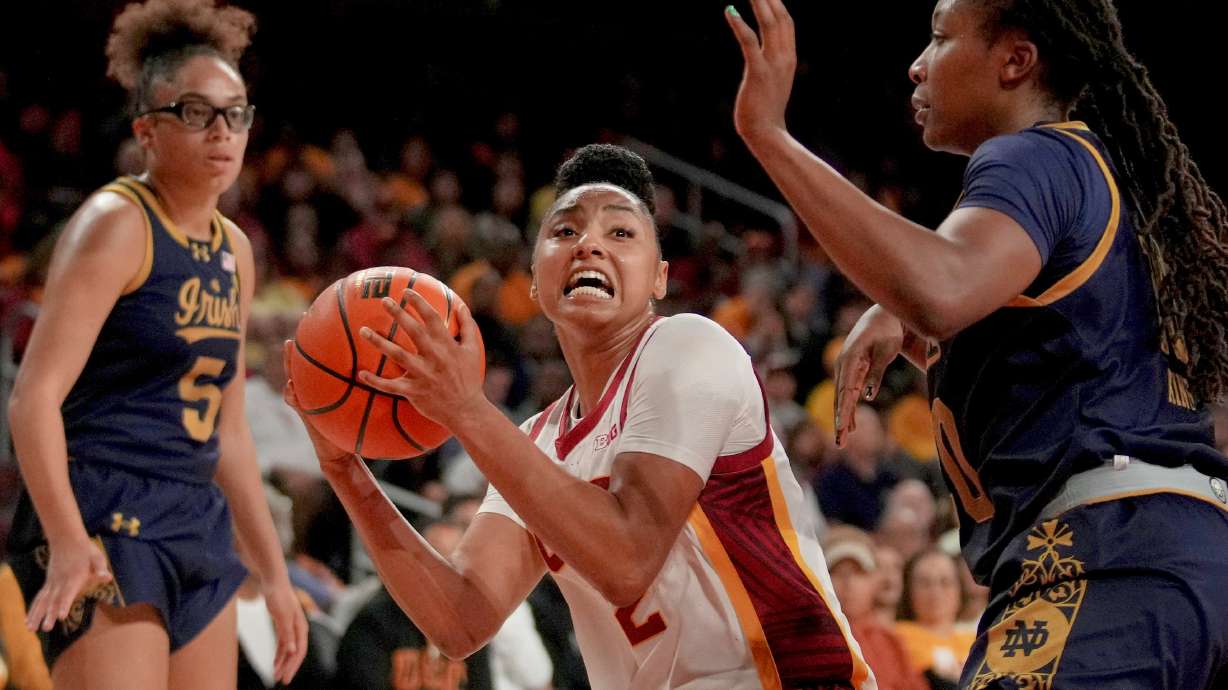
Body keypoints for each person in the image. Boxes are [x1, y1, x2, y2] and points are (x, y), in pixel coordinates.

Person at [725, 0, 1228, 687]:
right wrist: (911, 325)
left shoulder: (1034, 156)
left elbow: (941, 286)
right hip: (1187, 556)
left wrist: (769, 137)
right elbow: (1058, 357)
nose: (918, 64)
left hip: (1106, 555)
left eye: (938, 37)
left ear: (1015, 61)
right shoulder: (1112, 182)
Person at [284, 143, 875, 689]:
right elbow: (459, 621)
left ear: (660, 278)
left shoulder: (693, 348)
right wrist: (345, 469)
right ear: (536, 283)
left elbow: (626, 561)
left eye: (621, 232)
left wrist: (466, 410)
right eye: (565, 231)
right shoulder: (535, 441)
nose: (590, 244)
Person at [4, 1, 307, 687]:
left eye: (236, 113)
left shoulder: (235, 250)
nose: (222, 131)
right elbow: (33, 398)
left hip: (195, 513)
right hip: (105, 506)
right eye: (196, 113)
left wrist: (275, 574)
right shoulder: (117, 224)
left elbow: (230, 431)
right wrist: (67, 539)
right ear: (147, 130)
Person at [893, 550, 974, 688]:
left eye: (945, 582)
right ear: (908, 590)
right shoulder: (895, 637)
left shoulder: (978, 640)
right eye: (925, 583)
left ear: (960, 589)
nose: (935, 592)